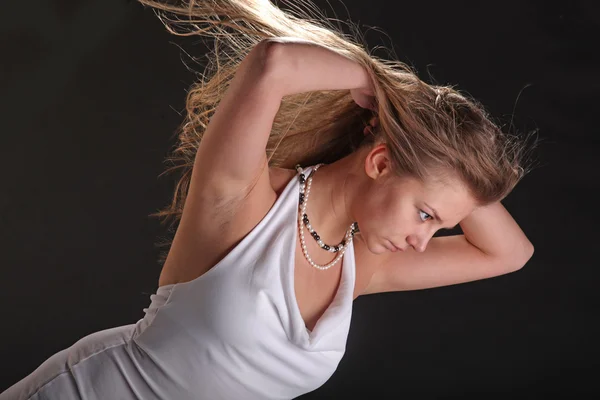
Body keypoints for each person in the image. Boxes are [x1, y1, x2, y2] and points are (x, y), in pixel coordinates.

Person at [1, 0, 537, 399]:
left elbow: (510, 254)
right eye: (425, 215)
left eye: (438, 225)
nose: (423, 242)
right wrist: (394, 94)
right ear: (378, 163)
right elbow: (273, 63)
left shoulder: (361, 264)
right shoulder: (245, 197)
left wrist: (446, 154)